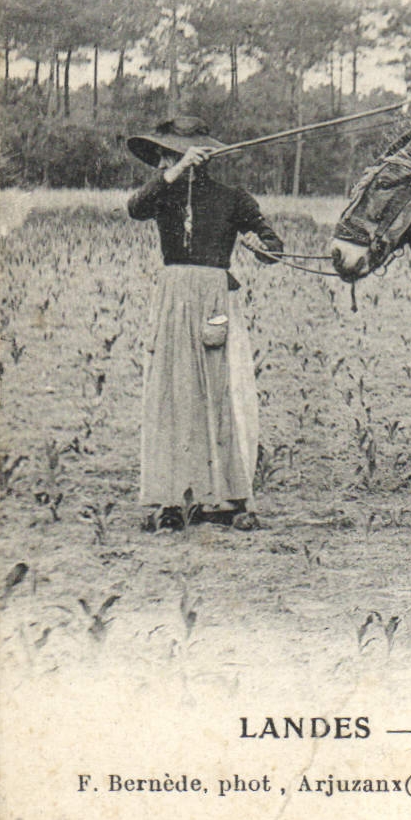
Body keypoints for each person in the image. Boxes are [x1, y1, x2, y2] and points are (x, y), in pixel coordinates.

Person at [126, 116, 283, 523]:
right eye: (161, 156)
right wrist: (176, 171)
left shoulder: (233, 199)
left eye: (166, 155)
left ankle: (232, 500)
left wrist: (259, 246)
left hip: (217, 301)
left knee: (224, 395)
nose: (160, 163)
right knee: (172, 395)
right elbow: (135, 208)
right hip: (174, 298)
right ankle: (172, 499)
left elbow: (273, 245)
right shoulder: (163, 194)